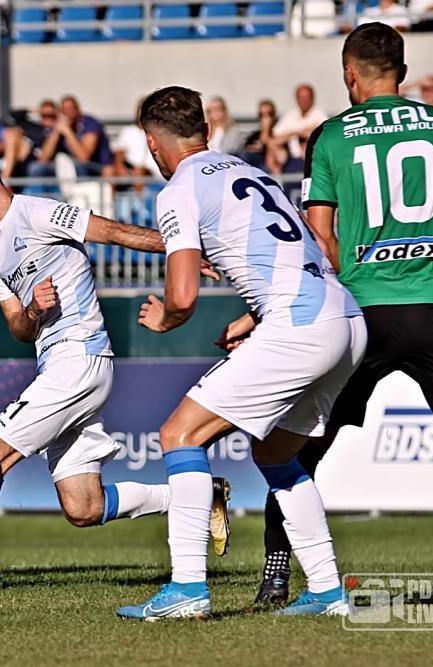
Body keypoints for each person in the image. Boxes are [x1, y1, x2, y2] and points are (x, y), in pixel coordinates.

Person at [0, 145, 225, 593]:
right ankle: (200, 495)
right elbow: (18, 328)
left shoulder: (37, 213)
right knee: (83, 507)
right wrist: (33, 311)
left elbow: (112, 231)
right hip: (58, 365)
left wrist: (182, 251)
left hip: (79, 357)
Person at [256, 22, 433, 607]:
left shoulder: (330, 136)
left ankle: (276, 576)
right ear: (403, 69)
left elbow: (320, 234)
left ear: (350, 74)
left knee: (299, 448)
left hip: (361, 313)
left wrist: (350, 282)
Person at [116, 86, 366, 620]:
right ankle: (327, 591)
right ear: (206, 131)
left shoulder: (179, 188)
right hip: (345, 318)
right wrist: (255, 317)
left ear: (152, 143)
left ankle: (187, 589)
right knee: (275, 454)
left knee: (179, 436)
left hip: (299, 325)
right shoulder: (251, 172)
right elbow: (317, 255)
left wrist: (167, 317)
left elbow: (183, 295)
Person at [26, 95, 113, 192]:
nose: (68, 112)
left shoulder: (90, 124)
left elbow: (84, 158)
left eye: (71, 108)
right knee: (36, 168)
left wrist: (67, 131)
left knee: (78, 166)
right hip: (66, 168)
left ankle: (76, 198)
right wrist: (56, 133)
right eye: (64, 110)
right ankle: (39, 199)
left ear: (78, 109)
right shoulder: (58, 125)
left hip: (94, 168)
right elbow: (43, 159)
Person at [268, 84, 327, 174]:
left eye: (306, 97)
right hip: (289, 158)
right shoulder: (290, 115)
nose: (303, 100)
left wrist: (300, 134)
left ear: (312, 98)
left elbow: (323, 136)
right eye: (300, 97)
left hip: (310, 159)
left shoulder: (319, 115)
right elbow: (275, 136)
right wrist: (295, 133)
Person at [242, 99, 278, 172]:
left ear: (274, 115)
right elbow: (246, 148)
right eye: (262, 115)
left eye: (269, 114)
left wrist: (266, 129)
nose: (265, 118)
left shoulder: (279, 131)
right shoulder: (255, 135)